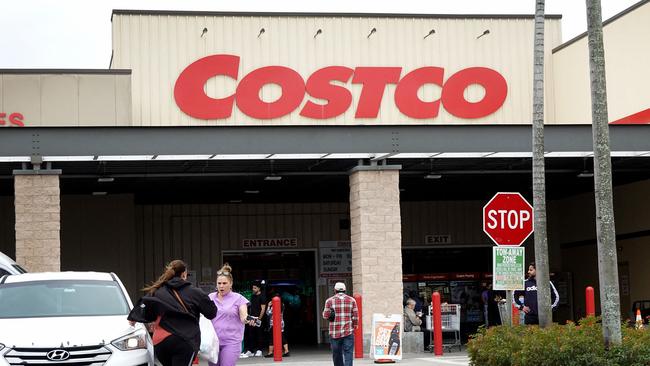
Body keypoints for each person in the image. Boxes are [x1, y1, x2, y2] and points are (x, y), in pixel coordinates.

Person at [128, 259, 217, 366]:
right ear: (184, 274)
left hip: (161, 341)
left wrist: (133, 317)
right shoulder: (195, 292)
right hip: (184, 340)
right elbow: (211, 313)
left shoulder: (157, 291)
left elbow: (146, 310)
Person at [209, 264, 258, 366]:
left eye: (224, 283)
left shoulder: (238, 298)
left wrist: (249, 319)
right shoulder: (210, 297)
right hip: (213, 342)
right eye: (219, 283)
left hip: (231, 342)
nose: (221, 286)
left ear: (231, 284)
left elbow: (244, 316)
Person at [322, 282, 358, 366]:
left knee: (337, 354)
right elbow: (356, 316)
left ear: (335, 290)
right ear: (345, 290)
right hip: (348, 332)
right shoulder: (352, 300)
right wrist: (354, 325)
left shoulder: (329, 301)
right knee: (348, 353)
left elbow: (325, 316)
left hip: (335, 333)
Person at [243, 281, 266, 357]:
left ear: (259, 288)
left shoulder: (262, 296)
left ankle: (259, 350)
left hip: (258, 318)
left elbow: (263, 309)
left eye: (255, 288)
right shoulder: (252, 296)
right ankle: (251, 350)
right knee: (250, 334)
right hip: (251, 317)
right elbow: (251, 306)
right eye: (253, 288)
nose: (253, 289)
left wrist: (259, 319)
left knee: (259, 334)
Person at [264, 293, 290, 357]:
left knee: (271, 338)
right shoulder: (282, 305)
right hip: (281, 323)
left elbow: (268, 313)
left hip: (274, 324)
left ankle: (270, 352)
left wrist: (268, 306)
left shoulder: (274, 305)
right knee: (282, 337)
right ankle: (286, 351)